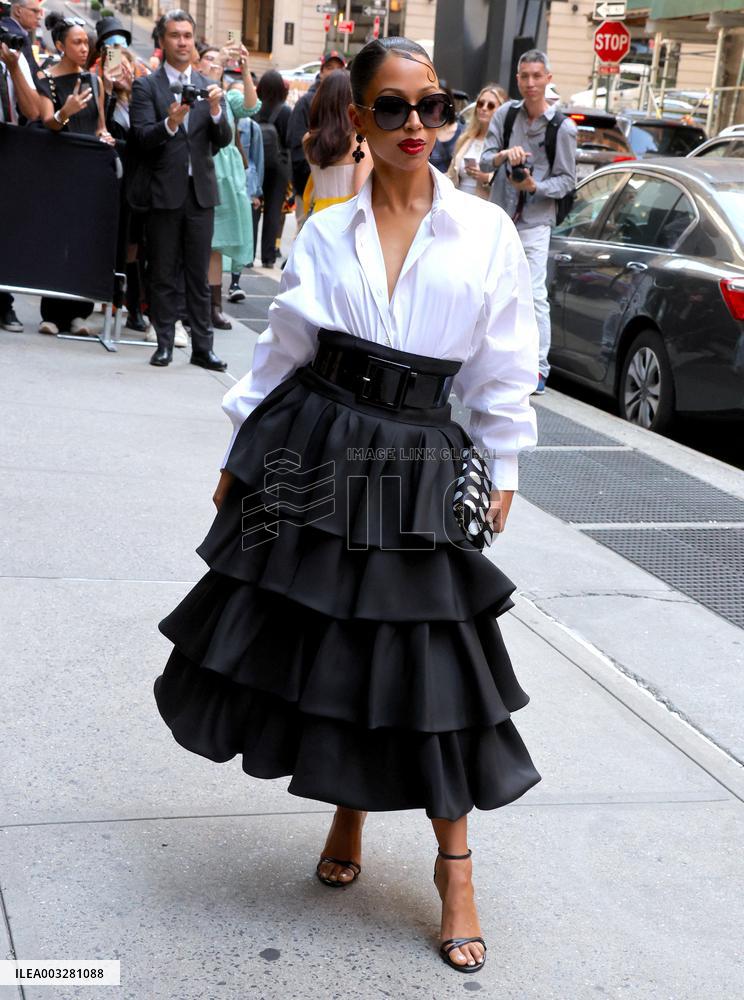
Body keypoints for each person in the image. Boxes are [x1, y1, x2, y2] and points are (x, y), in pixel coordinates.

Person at [153, 36, 540, 976]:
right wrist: (240, 453)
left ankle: (456, 873)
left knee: (431, 663)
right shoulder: (327, 226)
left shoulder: (485, 231)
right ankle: (348, 809)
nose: (419, 126)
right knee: (332, 640)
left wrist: (504, 468)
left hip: (419, 460)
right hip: (319, 441)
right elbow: (283, 349)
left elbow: (502, 369)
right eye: (396, 108)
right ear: (359, 117)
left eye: (434, 106)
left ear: (450, 114)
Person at [130, 9, 232, 370]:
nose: (183, 42)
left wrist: (218, 111)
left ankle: (203, 347)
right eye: (175, 35)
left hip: (200, 194)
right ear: (162, 40)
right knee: (162, 272)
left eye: (188, 35)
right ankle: (164, 343)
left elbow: (222, 140)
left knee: (199, 275)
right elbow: (140, 138)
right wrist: (170, 123)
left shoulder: (208, 84)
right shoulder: (146, 86)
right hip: (163, 192)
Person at [480, 49, 576, 395]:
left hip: (536, 221)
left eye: (537, 76)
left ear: (548, 78)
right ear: (517, 79)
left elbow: (567, 180)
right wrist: (506, 156)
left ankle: (537, 367)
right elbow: (486, 159)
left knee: (534, 294)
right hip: (502, 214)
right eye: (525, 77)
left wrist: (535, 185)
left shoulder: (562, 128)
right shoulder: (506, 116)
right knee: (494, 289)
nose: (531, 83)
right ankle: (492, 359)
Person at [35, 13, 114, 337]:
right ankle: (51, 313)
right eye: (77, 42)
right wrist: (64, 113)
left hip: (89, 169)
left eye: (87, 42)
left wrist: (105, 136)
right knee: (56, 239)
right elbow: (46, 121)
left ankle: (80, 313)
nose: (85, 48)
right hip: (58, 166)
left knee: (84, 241)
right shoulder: (47, 79)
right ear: (60, 45)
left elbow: (101, 125)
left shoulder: (95, 81)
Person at [197, 41, 260, 328]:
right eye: (208, 60)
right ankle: (193, 305)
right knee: (198, 241)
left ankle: (214, 307)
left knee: (217, 245)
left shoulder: (227, 98)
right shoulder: (196, 90)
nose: (215, 64)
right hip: (204, 170)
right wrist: (217, 64)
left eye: (217, 61)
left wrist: (244, 67)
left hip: (228, 177)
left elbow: (251, 105)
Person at [286, 49, 347, 228]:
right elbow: (296, 144)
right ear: (321, 72)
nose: (334, 71)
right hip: (310, 187)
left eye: (338, 67)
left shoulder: (349, 106)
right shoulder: (306, 103)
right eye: (329, 67)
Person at [301, 69, 372, 216]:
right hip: (346, 217)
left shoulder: (308, 139)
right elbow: (360, 191)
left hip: (318, 215)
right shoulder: (360, 142)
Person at [254, 69, 291, 269]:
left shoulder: (254, 108)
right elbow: (288, 139)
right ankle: (268, 257)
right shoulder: (284, 111)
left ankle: (248, 254)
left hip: (256, 165)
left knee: (254, 208)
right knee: (273, 211)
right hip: (279, 166)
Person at [447, 84, 506, 200]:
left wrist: (486, 177)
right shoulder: (465, 138)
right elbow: (451, 174)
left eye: (490, 105)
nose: (484, 108)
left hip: (485, 207)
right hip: (458, 204)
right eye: (480, 103)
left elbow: (508, 184)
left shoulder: (504, 143)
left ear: (500, 110)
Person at [236, 82, 264, 278]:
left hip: (245, 187)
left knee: (242, 233)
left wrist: (257, 192)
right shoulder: (220, 120)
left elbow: (258, 160)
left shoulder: (252, 128)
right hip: (225, 184)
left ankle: (235, 281)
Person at [429, 85, 461, 173]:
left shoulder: (462, 130)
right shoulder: (422, 128)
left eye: (441, 100)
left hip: (451, 183)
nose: (437, 104)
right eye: (433, 100)